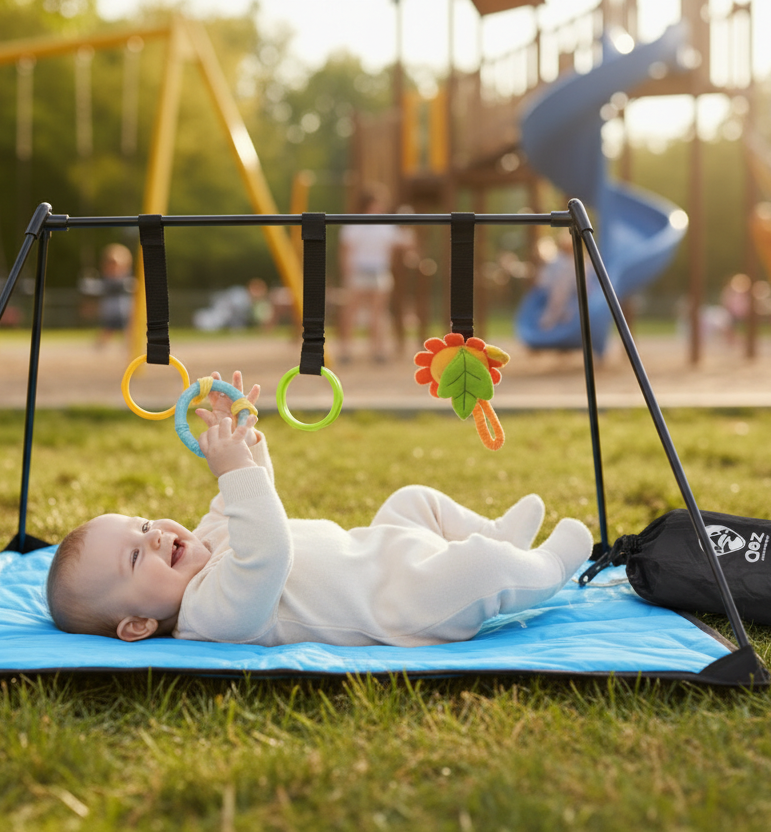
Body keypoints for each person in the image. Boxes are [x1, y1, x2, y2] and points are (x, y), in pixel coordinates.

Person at [46, 371, 593, 647]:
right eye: (137, 558)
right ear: (139, 626)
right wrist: (233, 471)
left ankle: (499, 534)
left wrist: (244, 442)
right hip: (404, 600)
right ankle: (545, 567)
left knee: (411, 500)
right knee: (479, 571)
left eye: (142, 525)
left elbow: (260, 495)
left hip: (380, 547)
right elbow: (269, 551)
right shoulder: (210, 615)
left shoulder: (209, 538)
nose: (156, 537)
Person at [339, 184, 403, 363]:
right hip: (359, 271)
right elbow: (346, 251)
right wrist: (348, 275)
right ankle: (346, 350)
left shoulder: (386, 226)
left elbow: (400, 243)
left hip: (379, 271)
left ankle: (378, 350)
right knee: (351, 312)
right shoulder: (354, 225)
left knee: (378, 313)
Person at [96, 243, 134, 348]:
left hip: (124, 307)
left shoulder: (126, 281)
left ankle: (131, 347)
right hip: (110, 308)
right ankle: (100, 346)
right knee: (108, 328)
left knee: (129, 329)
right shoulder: (106, 281)